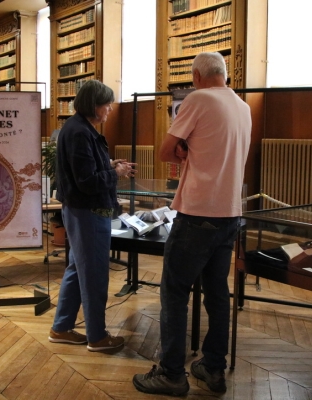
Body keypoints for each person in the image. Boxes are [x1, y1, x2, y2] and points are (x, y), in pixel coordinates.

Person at [132, 52, 251, 395]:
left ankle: (171, 373)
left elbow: (165, 151)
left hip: (198, 213)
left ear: (197, 76)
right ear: (223, 75)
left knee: (174, 292)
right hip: (230, 213)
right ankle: (213, 368)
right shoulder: (243, 107)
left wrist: (184, 152)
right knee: (217, 293)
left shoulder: (198, 99)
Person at [49, 79, 136, 352]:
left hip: (80, 211)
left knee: (77, 270)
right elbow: (86, 181)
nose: (110, 109)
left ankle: (61, 328)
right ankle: (97, 336)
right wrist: (116, 173)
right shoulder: (79, 132)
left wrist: (109, 164)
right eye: (106, 104)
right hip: (88, 212)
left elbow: (83, 168)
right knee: (95, 274)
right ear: (94, 105)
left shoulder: (77, 128)